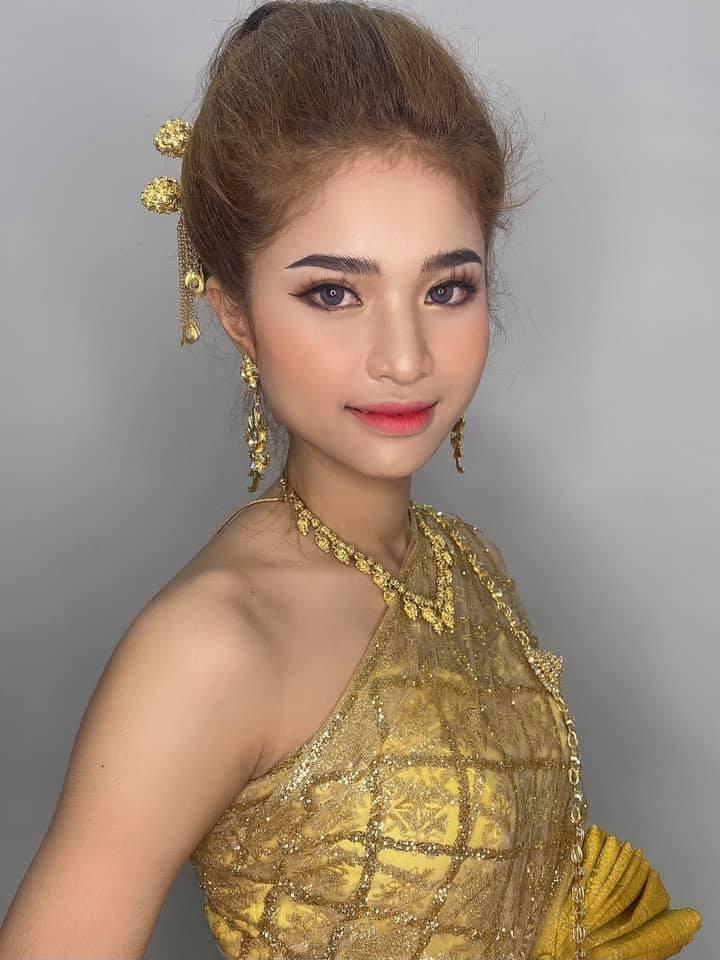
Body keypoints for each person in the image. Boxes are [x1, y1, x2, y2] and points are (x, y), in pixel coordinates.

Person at [0, 2, 703, 958]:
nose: (405, 358)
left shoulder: (467, 564)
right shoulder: (212, 645)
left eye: (447, 289)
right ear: (236, 314)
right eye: (333, 293)